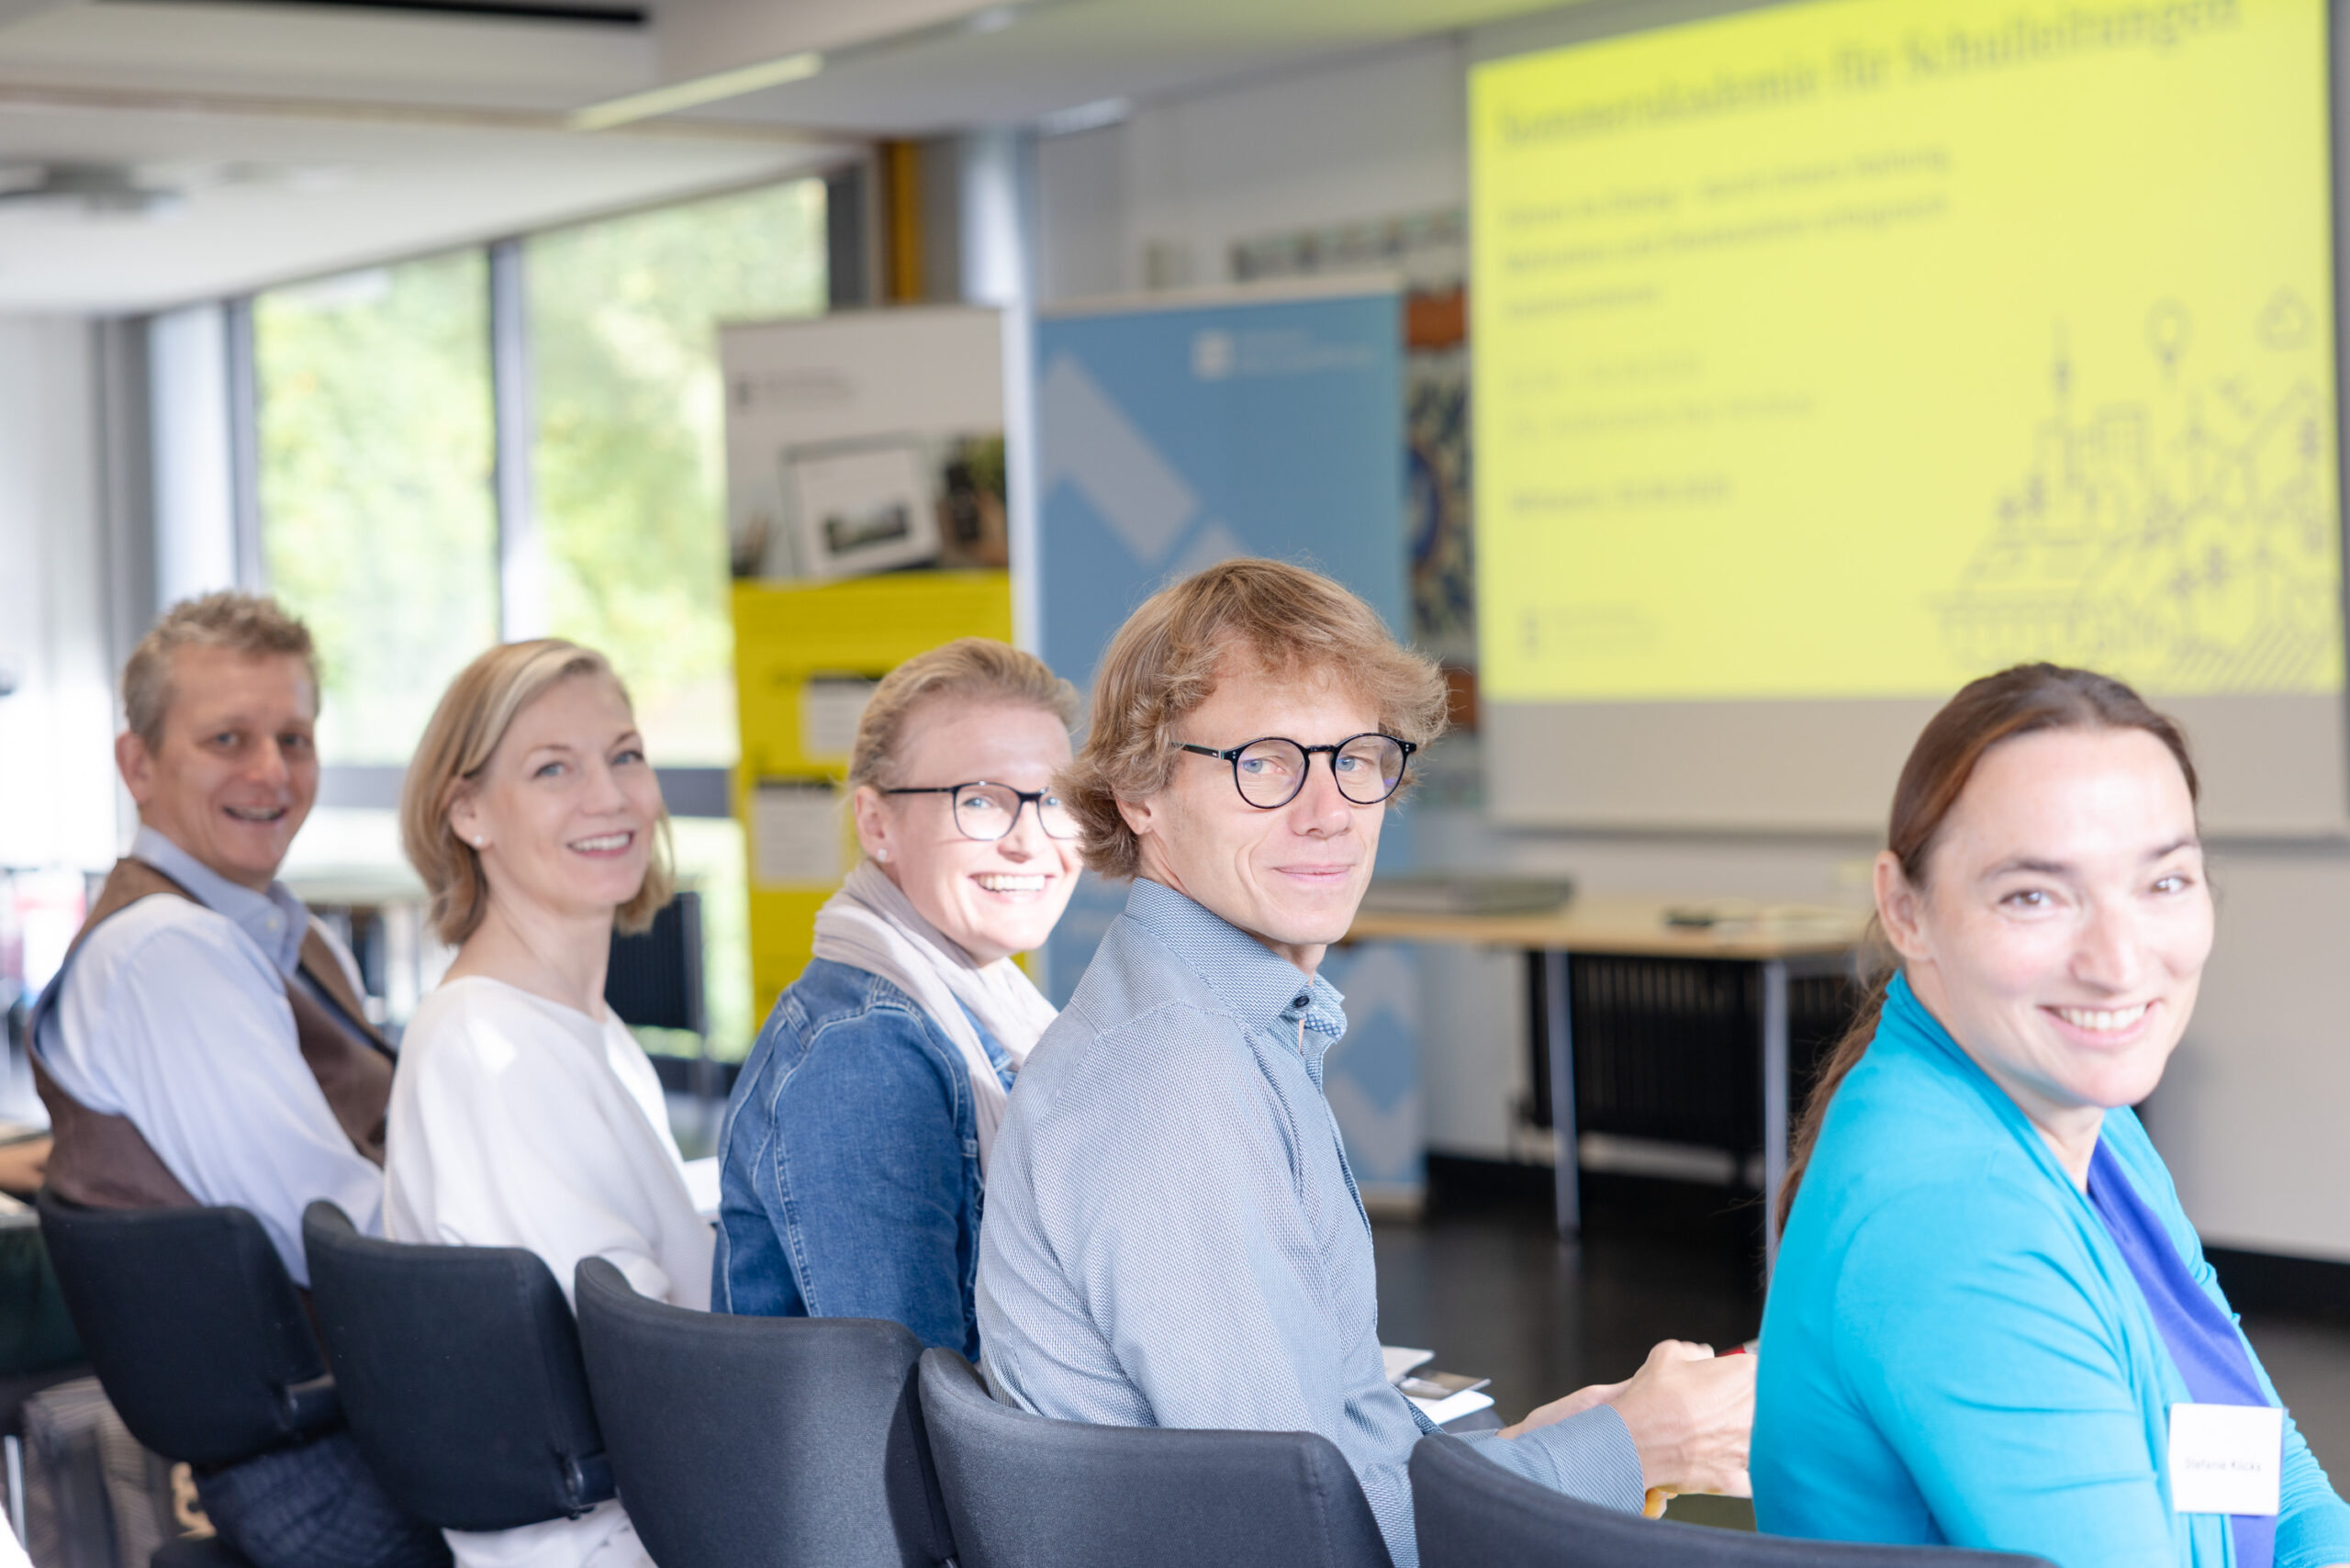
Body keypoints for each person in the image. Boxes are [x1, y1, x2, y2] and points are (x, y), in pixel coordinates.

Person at [974, 559, 1755, 1568]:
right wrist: (1634, 1441)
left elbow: (1326, 1457)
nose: (1329, 810)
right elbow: (1304, 1535)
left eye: (1356, 757)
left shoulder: (1214, 1024)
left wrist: (1545, 1440)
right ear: (1139, 793)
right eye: (1263, 762)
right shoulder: (1175, 1088)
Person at [1753, 664, 2350, 1568]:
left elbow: (2274, 1486)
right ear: (1904, 910)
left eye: (2164, 881)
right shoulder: (1956, 1223)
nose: (2117, 963)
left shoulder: (2087, 1125)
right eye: (2033, 895)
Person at [28, 591, 444, 1568]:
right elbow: (335, 1230)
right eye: (227, 738)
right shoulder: (169, 953)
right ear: (139, 765)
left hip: (354, 1438)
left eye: (293, 738)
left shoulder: (266, 930)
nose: (272, 772)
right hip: (339, 1471)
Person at [387, 640, 711, 1568]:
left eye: (624, 754)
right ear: (467, 810)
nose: (608, 797)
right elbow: (637, 1363)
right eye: (552, 769)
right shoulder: (486, 1049)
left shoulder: (587, 1029)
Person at [712, 639, 1080, 1354]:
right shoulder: (864, 1054)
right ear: (877, 824)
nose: (1031, 841)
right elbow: (911, 1405)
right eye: (980, 801)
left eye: (1056, 801)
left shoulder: (988, 1004)